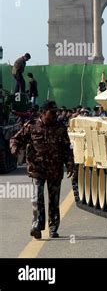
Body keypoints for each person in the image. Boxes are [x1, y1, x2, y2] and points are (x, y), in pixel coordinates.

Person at [10, 100, 74, 239]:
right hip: (36, 169)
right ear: (43, 113)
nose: (55, 115)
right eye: (52, 113)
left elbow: (66, 148)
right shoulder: (32, 126)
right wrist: (14, 148)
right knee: (37, 198)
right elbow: (16, 139)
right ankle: (37, 226)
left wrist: (70, 163)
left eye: (56, 112)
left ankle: (53, 228)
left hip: (55, 169)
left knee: (54, 200)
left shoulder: (60, 128)